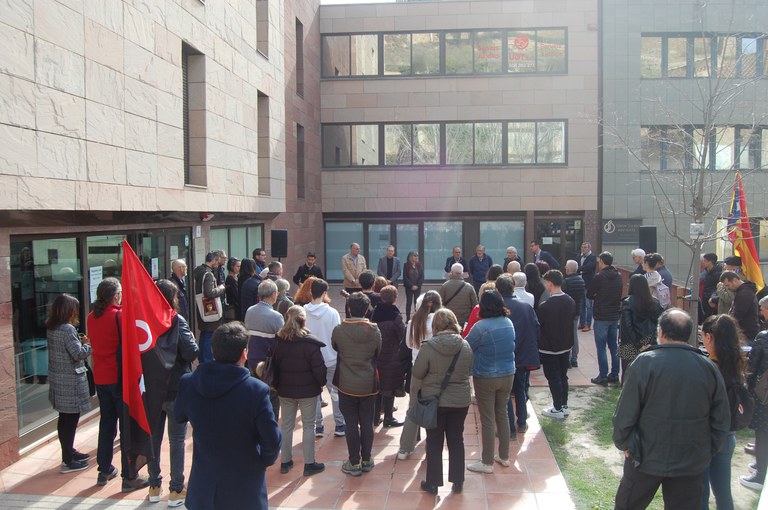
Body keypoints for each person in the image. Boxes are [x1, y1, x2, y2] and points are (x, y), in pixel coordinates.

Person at [613, 309, 730, 510]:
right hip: (688, 459)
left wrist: (624, 442)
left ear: (661, 332)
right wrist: (708, 450)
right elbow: (721, 420)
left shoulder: (645, 362)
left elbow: (624, 413)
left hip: (645, 457)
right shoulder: (708, 367)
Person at [174, 322, 281, 510]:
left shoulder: (188, 383)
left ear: (213, 351)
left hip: (204, 485)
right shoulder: (256, 391)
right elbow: (271, 442)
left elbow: (179, 416)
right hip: (244, 488)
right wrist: (261, 462)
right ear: (244, 353)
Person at [88, 277, 148, 491]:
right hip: (118, 379)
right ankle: (129, 475)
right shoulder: (119, 316)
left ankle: (104, 469)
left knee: (106, 424)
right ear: (115, 295)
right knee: (126, 428)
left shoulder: (91, 317)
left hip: (101, 378)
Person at [147, 280, 199, 506]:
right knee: (176, 439)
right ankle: (176, 489)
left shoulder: (143, 320)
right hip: (175, 386)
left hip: (151, 388)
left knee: (153, 439)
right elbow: (190, 352)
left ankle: (153, 486)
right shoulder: (176, 320)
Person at [414, 309, 474, 495]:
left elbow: (417, 373)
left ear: (435, 326)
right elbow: (469, 369)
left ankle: (433, 482)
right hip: (460, 400)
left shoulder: (429, 347)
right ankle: (458, 481)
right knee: (457, 439)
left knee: (434, 441)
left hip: (434, 401)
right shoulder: (465, 346)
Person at [272, 306, 327, 477]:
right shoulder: (311, 344)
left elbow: (274, 366)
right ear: (303, 321)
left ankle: (285, 461)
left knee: (287, 425)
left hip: (285, 390)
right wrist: (321, 383)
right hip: (308, 391)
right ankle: (309, 463)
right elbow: (319, 369)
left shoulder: (279, 341)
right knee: (308, 426)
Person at [465, 290, 515, 474]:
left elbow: (466, 345)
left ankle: (487, 462)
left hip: (486, 375)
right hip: (508, 373)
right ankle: (504, 455)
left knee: (487, 418)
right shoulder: (508, 323)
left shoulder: (481, 326)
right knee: (502, 413)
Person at [332, 292, 381, 477]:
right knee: (367, 422)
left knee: (351, 423)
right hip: (368, 383)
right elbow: (378, 352)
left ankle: (354, 462)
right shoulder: (374, 330)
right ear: (367, 309)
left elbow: (335, 346)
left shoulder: (339, 329)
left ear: (350, 309)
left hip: (346, 382)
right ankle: (367, 459)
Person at [700, 314, 745, 510]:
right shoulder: (736, 363)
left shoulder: (707, 367)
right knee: (723, 492)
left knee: (701, 492)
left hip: (705, 437)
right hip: (727, 436)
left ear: (709, 337)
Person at [46, 294, 92, 473]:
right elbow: (78, 353)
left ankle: (69, 451)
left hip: (59, 379)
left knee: (64, 418)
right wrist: (89, 345)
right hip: (70, 381)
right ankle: (67, 460)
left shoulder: (52, 326)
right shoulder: (67, 329)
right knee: (71, 420)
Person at [398, 291, 442, 460]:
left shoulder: (413, 321)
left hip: (417, 368)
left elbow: (409, 344)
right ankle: (432, 447)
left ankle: (405, 448)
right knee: (436, 408)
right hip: (437, 370)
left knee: (413, 407)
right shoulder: (442, 321)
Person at [496, 274, 539, 434]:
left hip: (503, 357)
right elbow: (536, 329)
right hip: (521, 356)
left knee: (505, 393)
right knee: (520, 390)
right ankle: (521, 423)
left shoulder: (498, 308)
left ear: (498, 289)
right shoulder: (526, 307)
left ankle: (509, 429)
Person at [304, 278, 345, 438]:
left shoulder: (303, 311)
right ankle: (340, 424)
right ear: (325, 293)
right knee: (335, 391)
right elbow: (337, 335)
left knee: (314, 394)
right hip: (330, 357)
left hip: (309, 360)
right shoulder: (332, 312)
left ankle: (318, 426)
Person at [537, 270, 576, 420]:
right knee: (562, 375)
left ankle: (557, 407)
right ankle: (563, 405)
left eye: (546, 282)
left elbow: (540, 325)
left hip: (549, 347)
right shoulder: (570, 301)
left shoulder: (545, 306)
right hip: (566, 345)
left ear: (550, 284)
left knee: (553, 377)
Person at [244, 280, 285, 420]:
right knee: (272, 400)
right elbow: (282, 341)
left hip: (252, 361)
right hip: (269, 366)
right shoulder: (276, 317)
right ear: (274, 295)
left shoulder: (249, 311)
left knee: (255, 397)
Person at [370, 285, 406, 428]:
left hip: (376, 355)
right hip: (391, 355)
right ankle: (389, 417)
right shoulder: (395, 315)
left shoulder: (374, 313)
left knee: (378, 387)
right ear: (395, 299)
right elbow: (402, 335)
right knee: (389, 387)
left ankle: (375, 417)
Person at [742, 296, 768, 490]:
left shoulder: (763, 337)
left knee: (763, 432)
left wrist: (748, 389)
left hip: (764, 393)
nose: (760, 312)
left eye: (762, 308)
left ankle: (760, 474)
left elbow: (753, 367)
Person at [618, 275, 663, 382]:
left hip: (629, 344)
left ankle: (627, 396)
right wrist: (649, 342)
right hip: (649, 342)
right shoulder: (655, 302)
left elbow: (627, 327)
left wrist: (638, 344)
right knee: (648, 374)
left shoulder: (627, 303)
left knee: (628, 373)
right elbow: (658, 323)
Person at [587, 252, 623, 385]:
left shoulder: (600, 276)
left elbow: (589, 293)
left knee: (601, 347)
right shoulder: (618, 275)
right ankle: (614, 374)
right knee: (614, 346)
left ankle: (602, 375)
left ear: (601, 261)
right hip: (614, 315)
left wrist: (598, 297)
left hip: (602, 315)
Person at [193, 251, 226, 363]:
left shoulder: (199, 271)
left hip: (202, 309)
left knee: (205, 333)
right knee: (209, 334)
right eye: (217, 261)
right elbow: (209, 293)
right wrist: (221, 289)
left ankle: (202, 358)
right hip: (209, 309)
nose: (218, 264)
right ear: (214, 261)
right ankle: (206, 359)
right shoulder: (208, 274)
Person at [721, 270, 760, 342]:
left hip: (746, 334)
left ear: (735, 280)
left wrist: (724, 325)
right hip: (744, 333)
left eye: (727, 285)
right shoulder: (741, 292)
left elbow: (737, 314)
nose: (727, 288)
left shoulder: (744, 293)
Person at [439, 263, 478, 328]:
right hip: (465, 321)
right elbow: (475, 305)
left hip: (449, 320)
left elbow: (440, 304)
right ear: (462, 273)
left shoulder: (445, 286)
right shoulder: (469, 287)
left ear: (451, 272)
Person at [562, 260, 585, 368]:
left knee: (566, 335)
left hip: (567, 312)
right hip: (577, 311)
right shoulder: (581, 281)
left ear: (569, 269)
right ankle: (574, 358)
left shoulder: (566, 281)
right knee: (574, 335)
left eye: (566, 267)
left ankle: (568, 358)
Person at [578, 242, 597, 332]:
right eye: (582, 247)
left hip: (588, 284)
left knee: (589, 305)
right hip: (580, 284)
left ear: (589, 248)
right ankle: (582, 323)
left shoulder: (592, 257)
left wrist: (579, 268)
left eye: (585, 247)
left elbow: (589, 267)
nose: (583, 248)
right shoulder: (579, 257)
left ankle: (588, 324)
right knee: (581, 305)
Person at [700, 253, 723, 321]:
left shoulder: (717, 273)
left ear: (710, 262)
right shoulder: (707, 271)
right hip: (706, 297)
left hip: (711, 299)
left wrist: (712, 298)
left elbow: (716, 287)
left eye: (705, 261)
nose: (703, 262)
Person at [402, 251, 424, 321]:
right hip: (409, 287)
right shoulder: (406, 265)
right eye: (415, 256)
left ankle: (417, 318)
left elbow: (422, 276)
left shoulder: (419, 265)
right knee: (409, 302)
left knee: (417, 302)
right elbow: (405, 277)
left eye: (417, 256)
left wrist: (417, 285)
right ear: (411, 257)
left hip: (417, 287)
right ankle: (408, 319)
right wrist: (411, 286)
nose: (416, 257)